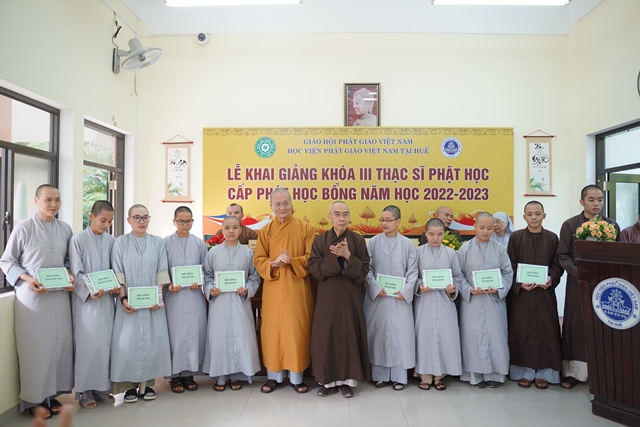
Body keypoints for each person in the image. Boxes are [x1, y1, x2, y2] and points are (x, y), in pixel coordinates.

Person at [0, 184, 75, 418]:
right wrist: (28, 279)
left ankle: (52, 395)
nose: (53, 204)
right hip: (32, 298)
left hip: (59, 297)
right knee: (35, 349)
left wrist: (69, 275)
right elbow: (8, 261)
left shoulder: (65, 229)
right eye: (48, 200)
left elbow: (68, 260)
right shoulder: (23, 229)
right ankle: (34, 399)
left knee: (59, 345)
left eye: (57, 200)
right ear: (36, 201)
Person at [557, 185, 620, 389]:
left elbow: (618, 253)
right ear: (582, 201)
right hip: (578, 282)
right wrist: (579, 272)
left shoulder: (611, 225)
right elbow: (562, 255)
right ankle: (573, 373)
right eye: (591, 200)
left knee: (602, 326)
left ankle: (602, 372)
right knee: (576, 325)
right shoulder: (570, 225)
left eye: (600, 199)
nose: (596, 204)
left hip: (604, 283)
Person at [254, 188, 316, 394]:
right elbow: (258, 260)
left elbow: (312, 259)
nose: (282, 207)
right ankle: (274, 377)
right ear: (271, 206)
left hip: (297, 289)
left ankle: (297, 377)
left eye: (285, 203)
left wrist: (291, 261)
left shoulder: (306, 228)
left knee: (296, 330)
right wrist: (273, 263)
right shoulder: (266, 231)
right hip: (273, 288)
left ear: (292, 204)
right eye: (278, 204)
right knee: (273, 331)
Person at [308, 201, 371, 398]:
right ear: (330, 217)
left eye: (345, 214)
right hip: (327, 296)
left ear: (350, 217)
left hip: (350, 296)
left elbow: (364, 270)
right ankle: (327, 381)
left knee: (348, 334)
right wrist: (334, 257)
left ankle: (346, 382)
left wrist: (348, 255)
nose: (341, 218)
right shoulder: (320, 240)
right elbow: (314, 268)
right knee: (326, 335)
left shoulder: (358, 240)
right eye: (337, 214)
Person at [110, 204, 172, 403]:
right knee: (128, 343)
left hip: (152, 304)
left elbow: (162, 271)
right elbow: (118, 272)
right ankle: (129, 387)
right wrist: (123, 299)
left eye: (145, 217)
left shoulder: (157, 242)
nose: (141, 221)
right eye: (137, 217)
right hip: (129, 304)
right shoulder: (120, 242)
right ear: (129, 220)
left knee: (151, 342)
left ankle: (147, 385)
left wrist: (158, 298)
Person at [507, 201, 564, 390]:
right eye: (530, 214)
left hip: (544, 294)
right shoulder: (515, 237)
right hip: (522, 296)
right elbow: (510, 265)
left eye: (537, 214)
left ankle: (544, 374)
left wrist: (550, 278)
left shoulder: (552, 238)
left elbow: (557, 265)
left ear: (544, 215)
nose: (533, 217)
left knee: (547, 330)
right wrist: (519, 283)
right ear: (524, 217)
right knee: (522, 330)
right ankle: (524, 373)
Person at [69, 201, 118, 409]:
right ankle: (86, 392)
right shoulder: (78, 240)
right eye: (102, 220)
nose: (106, 225)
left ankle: (103, 389)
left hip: (107, 302)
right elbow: (76, 271)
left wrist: (116, 286)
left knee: (106, 346)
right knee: (88, 346)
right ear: (91, 216)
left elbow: (116, 269)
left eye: (110, 221)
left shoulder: (112, 241)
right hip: (87, 304)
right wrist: (91, 290)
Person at [203, 215, 261, 390]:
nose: (231, 231)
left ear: (240, 230)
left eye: (235, 227)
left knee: (241, 336)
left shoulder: (248, 253)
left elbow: (254, 277)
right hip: (219, 302)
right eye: (227, 228)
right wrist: (210, 289)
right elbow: (207, 276)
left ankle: (238, 375)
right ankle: (220, 376)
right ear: (222, 230)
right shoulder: (213, 253)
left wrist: (247, 289)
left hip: (239, 302)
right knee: (219, 338)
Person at [364, 205, 418, 391]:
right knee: (378, 334)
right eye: (382, 220)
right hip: (378, 298)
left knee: (400, 336)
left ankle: (398, 377)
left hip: (399, 299)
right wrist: (375, 286)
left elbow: (413, 271)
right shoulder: (373, 242)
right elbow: (367, 268)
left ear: (398, 221)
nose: (384, 224)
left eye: (388, 220)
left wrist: (406, 291)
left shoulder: (407, 244)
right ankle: (379, 376)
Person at [457, 212, 513, 388]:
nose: (485, 231)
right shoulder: (464, 249)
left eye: (489, 228)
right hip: (472, 301)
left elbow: (508, 273)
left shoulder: (500, 249)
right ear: (474, 226)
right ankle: (475, 375)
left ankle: (495, 375)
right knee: (473, 336)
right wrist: (468, 289)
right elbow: (458, 274)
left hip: (494, 300)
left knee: (496, 336)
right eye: (481, 227)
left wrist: (499, 289)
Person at [414, 218, 463, 391]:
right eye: (432, 234)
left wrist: (452, 288)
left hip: (444, 303)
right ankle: (425, 376)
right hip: (425, 303)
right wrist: (419, 285)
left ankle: (440, 376)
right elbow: (412, 276)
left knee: (445, 337)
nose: (435, 238)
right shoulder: (417, 253)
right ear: (425, 234)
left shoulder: (450, 253)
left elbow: (457, 276)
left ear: (444, 234)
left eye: (440, 234)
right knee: (425, 337)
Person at [164, 206, 208, 393]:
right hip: (173, 297)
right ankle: (174, 376)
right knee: (175, 334)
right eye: (181, 221)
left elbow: (206, 269)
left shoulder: (199, 244)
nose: (185, 224)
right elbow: (161, 269)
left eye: (188, 221)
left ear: (192, 222)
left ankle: (189, 374)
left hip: (193, 296)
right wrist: (168, 283)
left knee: (194, 333)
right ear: (174, 222)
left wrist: (200, 281)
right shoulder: (165, 243)